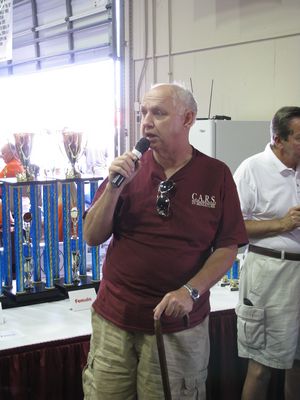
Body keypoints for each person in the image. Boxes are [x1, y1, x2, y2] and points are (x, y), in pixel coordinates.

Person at [82, 83, 248, 400]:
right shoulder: (128, 169)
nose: (146, 122)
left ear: (188, 119)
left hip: (177, 327)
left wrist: (191, 291)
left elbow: (227, 247)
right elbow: (92, 236)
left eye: (158, 113)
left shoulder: (215, 175)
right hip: (115, 321)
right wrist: (114, 189)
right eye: (143, 112)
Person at [234, 106, 300, 400]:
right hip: (269, 275)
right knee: (261, 367)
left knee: (297, 365)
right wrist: (282, 224)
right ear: (278, 139)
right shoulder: (253, 168)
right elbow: (233, 229)